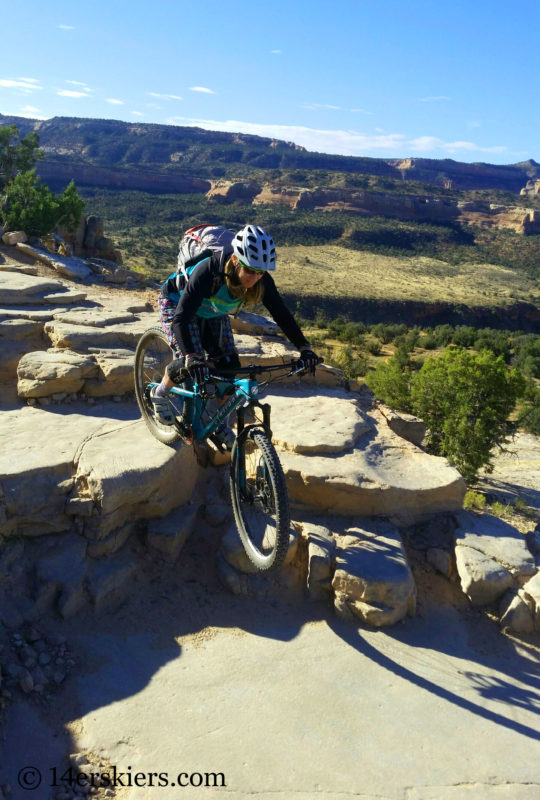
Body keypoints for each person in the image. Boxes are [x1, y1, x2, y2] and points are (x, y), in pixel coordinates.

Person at [151, 224, 319, 448]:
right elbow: (181, 319)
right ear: (237, 261)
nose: (254, 277)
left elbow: (281, 314)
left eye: (260, 272)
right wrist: (192, 356)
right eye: (250, 270)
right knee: (188, 361)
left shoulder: (261, 280)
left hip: (212, 311)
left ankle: (219, 423)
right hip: (178, 304)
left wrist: (304, 348)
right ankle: (160, 393)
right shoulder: (209, 271)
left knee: (230, 367)